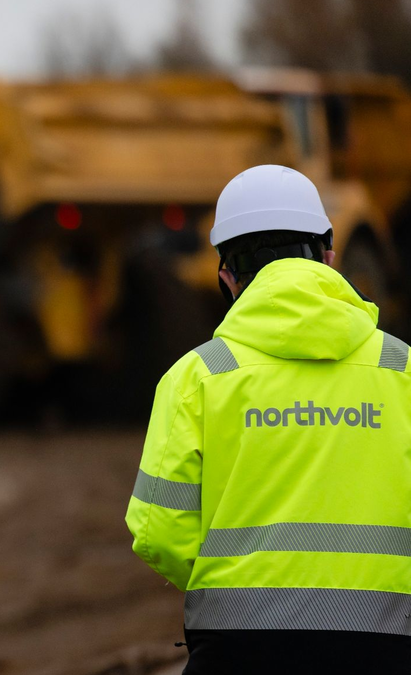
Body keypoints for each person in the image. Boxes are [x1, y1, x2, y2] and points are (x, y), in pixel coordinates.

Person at [126, 164, 411, 674]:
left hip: (237, 647)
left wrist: (232, 582)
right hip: (389, 643)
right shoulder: (403, 370)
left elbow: (157, 531)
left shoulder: (197, 377)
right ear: (328, 256)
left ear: (226, 278)